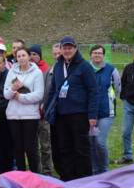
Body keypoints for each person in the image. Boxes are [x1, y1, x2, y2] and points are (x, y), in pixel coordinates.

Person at [46, 36, 99, 181]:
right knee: (64, 148)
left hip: (79, 114)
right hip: (61, 115)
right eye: (65, 48)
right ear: (61, 49)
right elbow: (53, 90)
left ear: (75, 48)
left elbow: (93, 91)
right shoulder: (58, 65)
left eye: (70, 48)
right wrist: (47, 109)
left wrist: (92, 115)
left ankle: (84, 179)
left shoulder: (84, 66)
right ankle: (68, 178)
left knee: (81, 149)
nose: (67, 50)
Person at [4, 48, 44, 173]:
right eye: (18, 56)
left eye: (23, 55)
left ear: (28, 57)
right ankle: (21, 175)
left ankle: (35, 175)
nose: (21, 58)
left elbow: (39, 95)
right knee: (18, 148)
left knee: (30, 148)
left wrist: (20, 97)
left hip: (30, 116)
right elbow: (6, 94)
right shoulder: (11, 72)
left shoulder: (36, 73)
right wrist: (12, 90)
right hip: (13, 116)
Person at [89, 45, 121, 174]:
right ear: (90, 55)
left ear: (103, 55)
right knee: (91, 142)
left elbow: (118, 88)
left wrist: (111, 99)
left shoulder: (111, 70)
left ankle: (104, 169)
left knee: (100, 142)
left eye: (100, 53)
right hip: (90, 113)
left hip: (106, 112)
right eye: (95, 53)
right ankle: (94, 169)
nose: (97, 55)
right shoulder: (85, 69)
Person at [41, 43, 61, 176]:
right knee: (52, 143)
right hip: (51, 114)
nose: (57, 56)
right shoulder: (49, 71)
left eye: (58, 53)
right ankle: (56, 170)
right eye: (54, 54)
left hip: (66, 113)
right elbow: (45, 91)